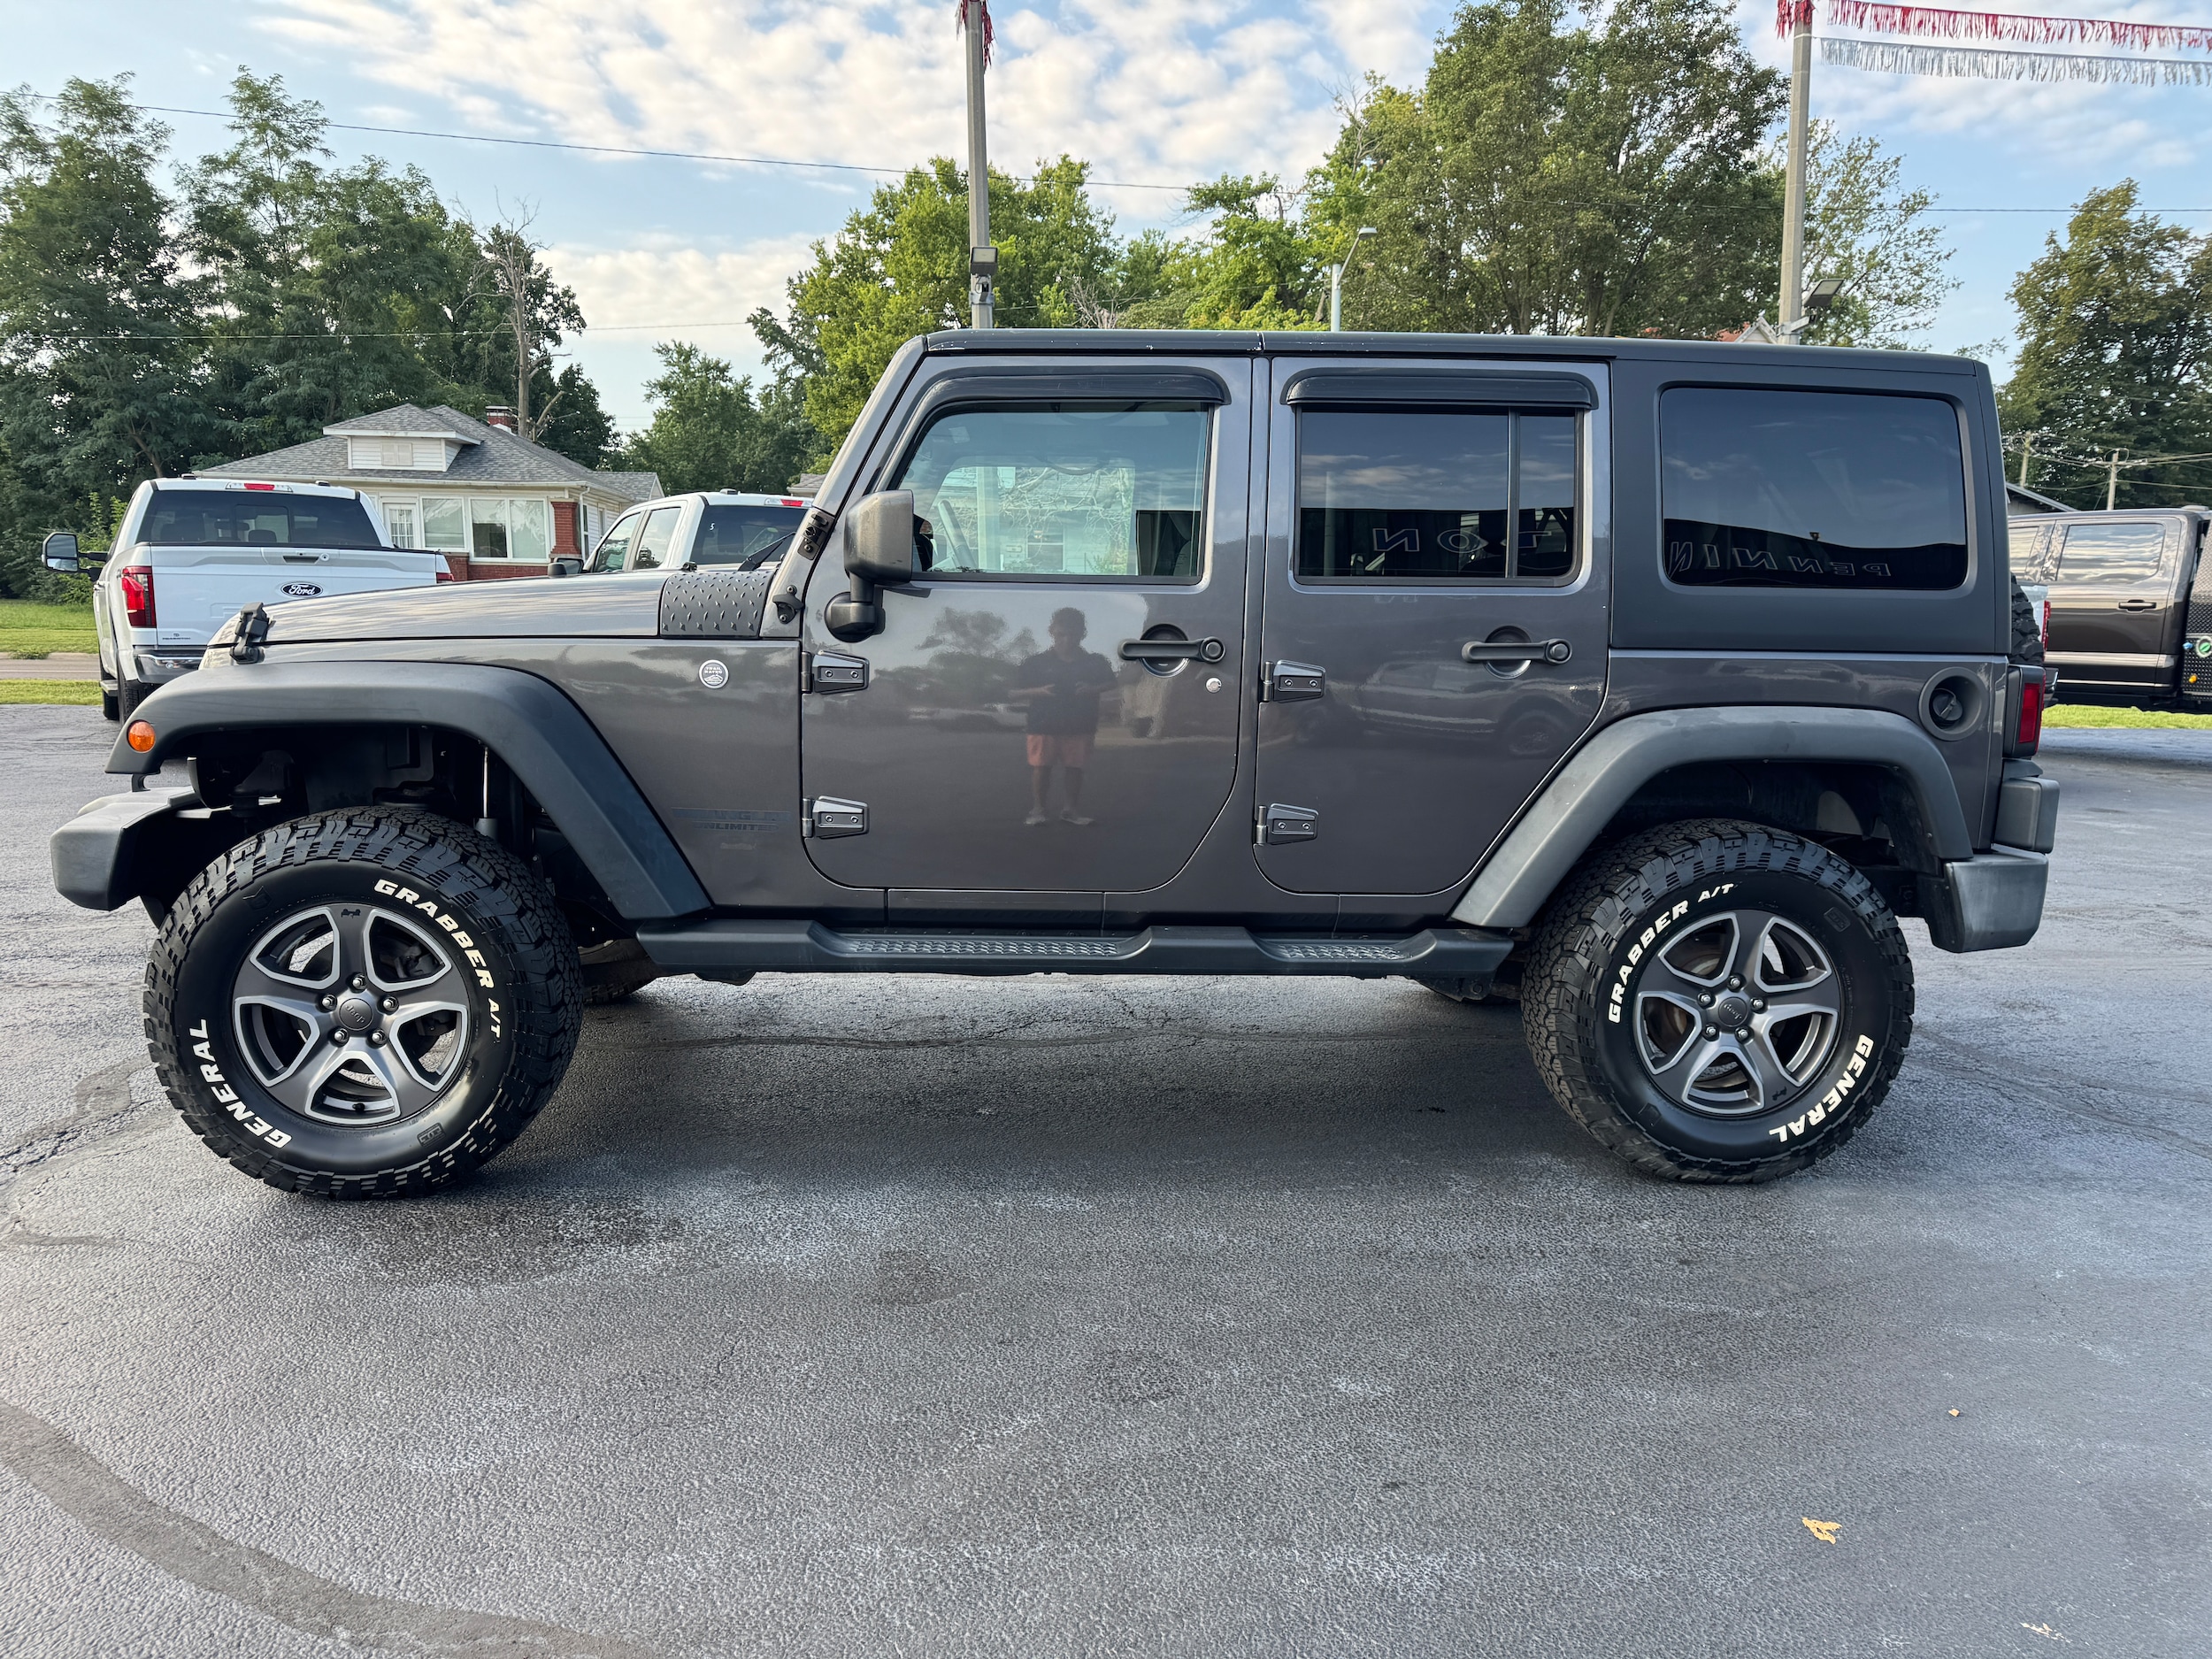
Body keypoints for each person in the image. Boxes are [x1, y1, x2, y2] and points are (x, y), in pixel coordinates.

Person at [1012, 607, 1115, 826]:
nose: (1067, 640)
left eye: (1074, 635)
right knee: (1041, 768)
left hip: (1080, 723)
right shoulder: (1036, 662)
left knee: (1075, 768)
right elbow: (1013, 692)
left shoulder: (1095, 661)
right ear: (1052, 631)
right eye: (1061, 634)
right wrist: (1039, 691)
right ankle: (1038, 810)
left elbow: (1112, 683)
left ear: (1083, 634)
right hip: (1043, 723)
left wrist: (1092, 689)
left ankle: (1070, 811)